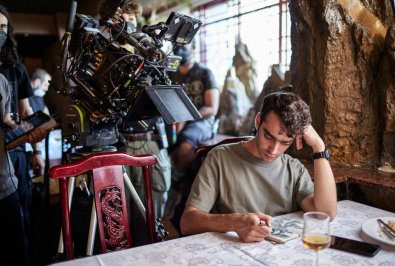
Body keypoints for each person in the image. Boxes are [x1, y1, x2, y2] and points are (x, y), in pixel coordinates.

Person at [180, 91, 337, 243]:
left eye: (285, 143)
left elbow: (326, 214)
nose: (273, 150)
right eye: (268, 136)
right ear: (258, 121)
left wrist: (319, 147)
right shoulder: (219, 158)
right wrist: (235, 222)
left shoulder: (293, 168)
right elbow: (187, 223)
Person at [113, 0, 171, 220]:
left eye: (132, 20)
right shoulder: (105, 61)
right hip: (121, 143)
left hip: (151, 139)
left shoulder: (148, 53)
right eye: (123, 20)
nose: (129, 25)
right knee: (122, 211)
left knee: (154, 206)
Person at [0, 2, 45, 236]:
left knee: (20, 217)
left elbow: (26, 113)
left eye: (3, 28)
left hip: (16, 154)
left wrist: (37, 151)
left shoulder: (16, 69)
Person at [0, 68, 29, 266]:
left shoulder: (0, 79)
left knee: (17, 262)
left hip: (6, 188)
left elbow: (5, 123)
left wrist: (26, 133)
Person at [169, 43, 220, 176]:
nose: (180, 49)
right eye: (177, 45)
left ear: (193, 48)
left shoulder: (204, 73)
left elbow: (212, 108)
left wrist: (186, 117)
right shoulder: (171, 74)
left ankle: (175, 176)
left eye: (184, 46)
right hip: (176, 119)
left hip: (202, 120)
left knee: (185, 146)